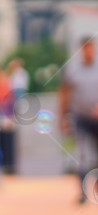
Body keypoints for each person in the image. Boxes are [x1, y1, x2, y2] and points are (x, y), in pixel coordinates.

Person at [60, 36, 98, 204]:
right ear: (82, 50)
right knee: (81, 155)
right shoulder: (73, 70)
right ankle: (83, 192)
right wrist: (63, 117)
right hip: (80, 117)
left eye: (92, 48)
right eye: (86, 48)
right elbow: (65, 94)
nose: (89, 51)